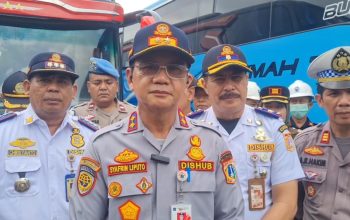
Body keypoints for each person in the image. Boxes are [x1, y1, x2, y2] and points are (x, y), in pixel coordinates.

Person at [69, 22, 244, 220]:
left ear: (187, 81)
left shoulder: (212, 143)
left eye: (175, 69)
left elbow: (232, 216)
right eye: (149, 68)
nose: (161, 78)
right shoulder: (102, 147)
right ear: (130, 78)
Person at [190, 44, 304, 220]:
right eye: (219, 79)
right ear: (204, 85)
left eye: (236, 78)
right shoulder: (189, 128)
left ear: (246, 80)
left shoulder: (274, 128)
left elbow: (286, 202)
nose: (229, 87)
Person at [0, 52, 98, 220]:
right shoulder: (3, 133)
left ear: (74, 91)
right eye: (44, 81)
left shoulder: (93, 137)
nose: (53, 88)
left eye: (62, 82)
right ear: (27, 87)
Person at [295, 46, 350, 220]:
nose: (344, 102)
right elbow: (291, 199)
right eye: (334, 94)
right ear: (320, 100)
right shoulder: (303, 143)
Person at [72, 57, 135, 128]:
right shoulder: (77, 114)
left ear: (117, 86)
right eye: (97, 83)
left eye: (109, 83)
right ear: (89, 87)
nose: (103, 87)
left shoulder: (132, 113)